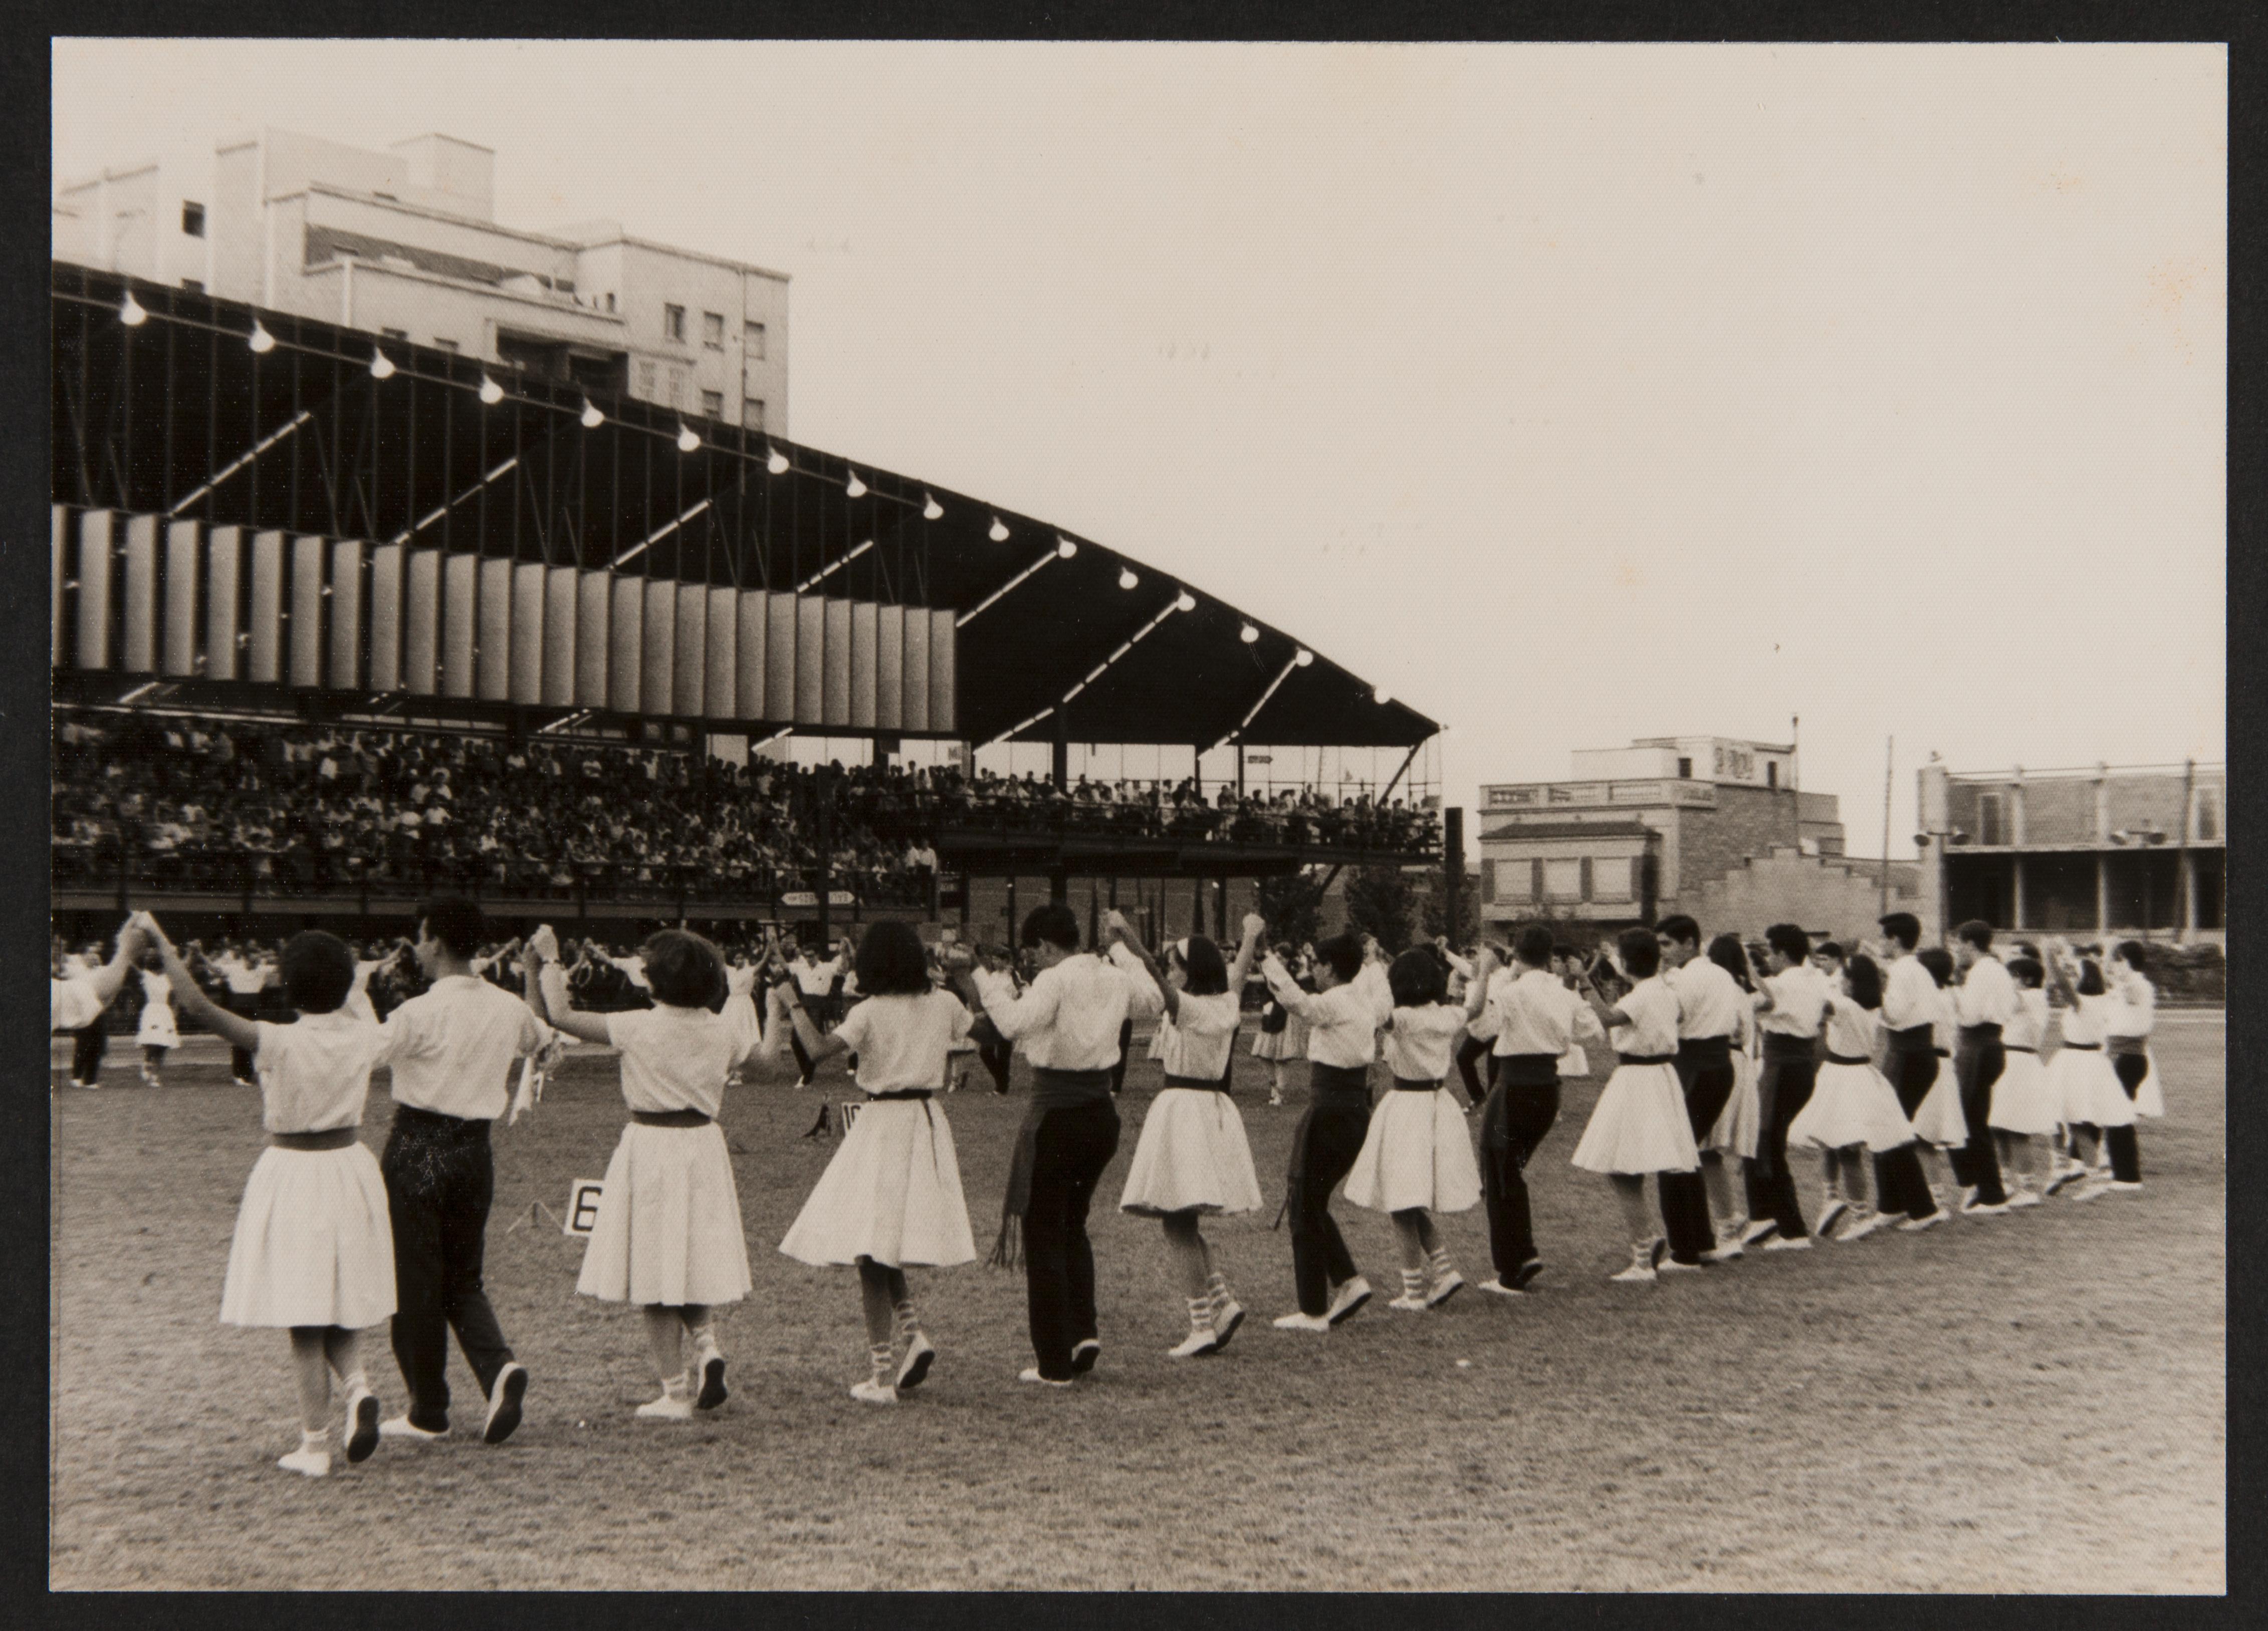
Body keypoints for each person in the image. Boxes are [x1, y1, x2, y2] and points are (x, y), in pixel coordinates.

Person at [142, 916, 396, 1479]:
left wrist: (163, 945)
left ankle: (314, 1443)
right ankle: (357, 1389)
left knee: (304, 1316)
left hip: (295, 1171)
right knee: (337, 1300)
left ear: (285, 983)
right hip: (350, 1167)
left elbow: (202, 1008)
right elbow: (360, 1010)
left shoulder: (276, 1038)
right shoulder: (362, 1034)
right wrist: (353, 984)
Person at [526, 924, 769, 1420]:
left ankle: (675, 1391)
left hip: (652, 1146)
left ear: (656, 981)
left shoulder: (639, 1025)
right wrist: (781, 1012)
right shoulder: (722, 1028)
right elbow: (764, 1064)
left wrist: (550, 961)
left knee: (655, 1269)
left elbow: (561, 1014)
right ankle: (706, 1346)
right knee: (687, 1257)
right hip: (703, 1144)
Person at [368, 896, 557, 1448]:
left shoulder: (419, 1012)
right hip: (475, 1149)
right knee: (462, 1277)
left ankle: (428, 1409)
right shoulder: (505, 1007)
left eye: (420, 936)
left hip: (420, 1144)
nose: (417, 948)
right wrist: (530, 980)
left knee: (414, 1280)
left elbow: (366, 1053)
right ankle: (497, 1368)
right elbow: (542, 1040)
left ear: (436, 942)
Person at [957, 903, 1163, 1386]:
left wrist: (980, 975)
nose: (1034, 963)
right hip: (1099, 1113)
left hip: (1058, 1112)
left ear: (1047, 946)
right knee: (1073, 1225)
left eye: (1035, 954)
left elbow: (1011, 1024)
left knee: (1045, 1233)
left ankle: (1054, 1360)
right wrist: (1121, 947)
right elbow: (1155, 999)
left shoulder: (1055, 978)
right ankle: (1081, 1331)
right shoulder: (1112, 975)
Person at [779, 920, 978, 1404]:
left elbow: (819, 1049)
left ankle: (882, 1375)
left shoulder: (869, 1011)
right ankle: (913, 1335)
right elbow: (982, 1029)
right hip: (925, 1120)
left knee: (872, 1248)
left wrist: (791, 1005)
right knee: (880, 1242)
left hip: (885, 1123)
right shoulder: (944, 1003)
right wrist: (968, 978)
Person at [1109, 913, 1267, 1356]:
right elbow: (1234, 975)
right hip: (1210, 1110)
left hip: (1183, 1110)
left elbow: (1154, 976)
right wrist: (1250, 936)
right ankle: (1220, 1302)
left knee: (1177, 1220)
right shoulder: (1227, 1003)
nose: (1172, 969)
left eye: (1178, 963)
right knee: (1182, 1220)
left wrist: (1127, 938)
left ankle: (1202, 1323)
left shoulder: (1191, 1005)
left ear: (1191, 971)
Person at [1260, 932, 1391, 1330]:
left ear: (1331, 967)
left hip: (1332, 1110)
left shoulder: (1337, 1000)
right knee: (1310, 1201)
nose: (1311, 969)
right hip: (1348, 1110)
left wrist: (1264, 954)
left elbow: (1298, 1003)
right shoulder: (1363, 1001)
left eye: (1316, 962)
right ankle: (1346, 1281)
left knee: (1304, 1201)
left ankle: (1315, 1307)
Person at [1460, 926, 1599, 1296]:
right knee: (1511, 1169)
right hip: (1546, 1091)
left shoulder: (1513, 992)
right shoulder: (1561, 992)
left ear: (1517, 957)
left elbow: (1478, 1025)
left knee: (1498, 1167)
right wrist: (1574, 985)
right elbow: (1593, 1031)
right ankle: (1522, 1253)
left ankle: (1513, 1265)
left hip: (1513, 1091)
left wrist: (1485, 974)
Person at [1344, 948, 1480, 1311]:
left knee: (1401, 1199)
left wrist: (1373, 968)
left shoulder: (1403, 1017)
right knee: (1408, 1198)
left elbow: (1381, 1016)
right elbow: (1477, 1007)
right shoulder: (1448, 1014)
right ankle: (1443, 1269)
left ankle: (1414, 1288)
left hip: (1407, 1108)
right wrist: (1483, 976)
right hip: (1439, 1105)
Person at [1569, 928, 1702, 1283]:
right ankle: (1650, 1246)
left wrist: (1584, 981)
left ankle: (1643, 1253)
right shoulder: (1663, 991)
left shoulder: (1642, 995)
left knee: (1623, 1166)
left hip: (1638, 1077)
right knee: (1639, 1162)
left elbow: (1608, 1018)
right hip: (1661, 1075)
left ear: (1627, 963)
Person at [1784, 953, 1911, 1242]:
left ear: (1853, 983)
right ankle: (1833, 1199)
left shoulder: (1844, 1005)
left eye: (1843, 977)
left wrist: (1806, 979)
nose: (1839, 980)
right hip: (1854, 1074)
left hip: (1843, 1076)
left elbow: (1819, 1006)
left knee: (1846, 1147)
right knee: (1830, 1137)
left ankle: (1859, 1214)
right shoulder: (1871, 1008)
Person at [1655, 915, 1743, 1271]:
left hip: (1695, 1065)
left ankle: (1686, 1249)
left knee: (1674, 1155)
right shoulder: (1722, 974)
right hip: (1720, 1066)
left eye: (1667, 944)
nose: (1662, 952)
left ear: (1690, 943)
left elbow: (1668, 1019)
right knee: (1687, 1154)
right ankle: (1701, 1243)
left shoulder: (1681, 978)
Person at [1742, 923, 1828, 1253]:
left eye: (1770, 951)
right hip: (1799, 1063)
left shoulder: (1783, 984)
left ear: (1781, 953)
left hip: (1783, 1064)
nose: (1769, 958)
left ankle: (1791, 1229)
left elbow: (1760, 1003)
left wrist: (1748, 972)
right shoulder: (1814, 979)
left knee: (1768, 1142)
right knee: (1763, 1139)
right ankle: (1766, 1216)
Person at [1872, 913, 1950, 1232]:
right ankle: (1892, 1205)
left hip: (1909, 1053)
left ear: (1894, 940)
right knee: (1887, 1126)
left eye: (1883, 938)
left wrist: (1874, 991)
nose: (1880, 944)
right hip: (1910, 1053)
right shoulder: (1915, 970)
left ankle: (1922, 1209)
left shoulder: (1903, 972)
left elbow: (1895, 1015)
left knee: (1893, 1130)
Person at [2046, 942, 2138, 1196]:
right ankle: (2067, 1167)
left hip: (2077, 1060)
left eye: (2076, 974)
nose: (2071, 977)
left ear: (2084, 979)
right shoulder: (2104, 999)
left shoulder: (2083, 1002)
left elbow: (2062, 984)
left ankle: (2087, 1175)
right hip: (2084, 1060)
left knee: (2074, 1122)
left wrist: (2050, 956)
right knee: (2061, 1117)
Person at [1697, 935, 1763, 1259]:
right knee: (1708, 1148)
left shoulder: (1726, 991)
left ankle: (1727, 1222)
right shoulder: (1743, 991)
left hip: (1722, 1060)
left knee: (1707, 1147)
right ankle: (1728, 1219)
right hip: (1739, 1063)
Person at [1947, 921, 2014, 1216]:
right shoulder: (1997, 969)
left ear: (1970, 944)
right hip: (1992, 1043)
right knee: (1973, 1120)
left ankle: (1990, 1194)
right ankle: (1982, 1186)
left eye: (1958, 944)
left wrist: (1952, 997)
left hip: (1978, 1044)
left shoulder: (1981, 973)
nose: (1956, 951)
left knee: (1970, 1122)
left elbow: (1970, 1016)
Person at [1983, 956, 2058, 1206]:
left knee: (2017, 1129)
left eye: (2012, 976)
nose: (2009, 982)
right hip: (2007, 1061)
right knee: (1999, 1126)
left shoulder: (2033, 996)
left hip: (2020, 1064)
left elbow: (2009, 1001)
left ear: (2026, 979)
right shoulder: (2022, 999)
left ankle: (2027, 1188)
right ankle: (2006, 1181)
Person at [52, 918, 150, 1084]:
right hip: (81, 1012)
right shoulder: (74, 966)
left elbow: (111, 986)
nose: (95, 956)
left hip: (98, 1011)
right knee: (84, 1044)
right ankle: (77, 1077)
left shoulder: (101, 971)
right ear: (83, 954)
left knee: (98, 1046)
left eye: (98, 952)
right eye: (92, 951)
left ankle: (90, 1080)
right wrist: (58, 949)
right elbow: (60, 964)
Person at [2105, 939, 2165, 1126]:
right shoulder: (2123, 986)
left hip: (2129, 1053)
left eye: (2120, 961)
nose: (2116, 966)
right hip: (2118, 1050)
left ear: (2131, 962)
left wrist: (2109, 966)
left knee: (2119, 1110)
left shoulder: (2140, 986)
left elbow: (2130, 996)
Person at [1250, 943, 1309, 1107]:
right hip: (1272, 1013)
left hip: (1286, 1015)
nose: (1278, 961)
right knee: (1263, 1053)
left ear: (1289, 960)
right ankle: (1275, 1088)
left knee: (1281, 1057)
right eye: (1276, 958)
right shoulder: (1271, 973)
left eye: (1282, 959)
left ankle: (1280, 1093)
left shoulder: (1290, 976)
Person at [135, 948, 180, 1087]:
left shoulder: (168, 977)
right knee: (153, 1041)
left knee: (164, 1044)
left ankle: (154, 1075)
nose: (151, 958)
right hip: (152, 1011)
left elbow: (174, 996)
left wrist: (174, 1010)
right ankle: (148, 1064)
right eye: (149, 957)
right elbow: (133, 965)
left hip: (165, 1012)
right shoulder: (146, 976)